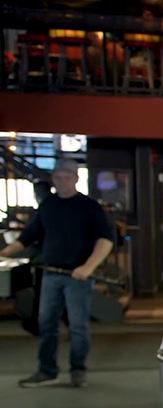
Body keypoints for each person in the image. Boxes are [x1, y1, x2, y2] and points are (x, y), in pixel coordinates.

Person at [0, 159, 115, 388]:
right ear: (53, 179)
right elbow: (28, 236)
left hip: (77, 276)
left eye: (67, 177)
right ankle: (47, 370)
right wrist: (5, 253)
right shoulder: (49, 205)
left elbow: (105, 240)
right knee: (46, 324)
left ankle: (78, 370)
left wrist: (88, 267)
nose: (62, 182)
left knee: (78, 326)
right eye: (58, 177)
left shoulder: (89, 207)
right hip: (50, 275)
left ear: (76, 179)